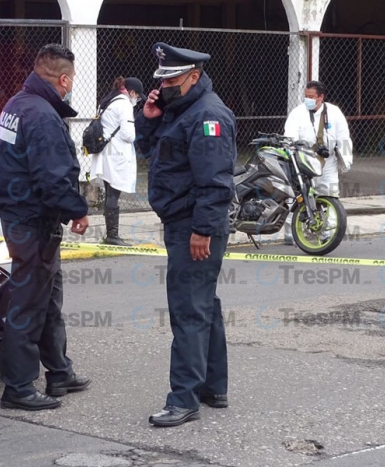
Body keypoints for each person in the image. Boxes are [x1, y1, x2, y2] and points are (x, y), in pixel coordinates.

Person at [135, 43, 236, 427]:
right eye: (162, 79)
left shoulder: (208, 116)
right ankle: (213, 386)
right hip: (182, 222)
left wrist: (201, 230)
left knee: (188, 311)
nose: (166, 85)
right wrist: (148, 116)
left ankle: (184, 399)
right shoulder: (180, 110)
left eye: (173, 79)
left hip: (193, 225)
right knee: (203, 304)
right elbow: (148, 149)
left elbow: (215, 183)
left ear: (194, 76)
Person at [0, 44, 91, 411]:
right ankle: (17, 387)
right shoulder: (43, 116)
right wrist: (77, 210)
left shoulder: (17, 104)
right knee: (30, 302)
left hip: (23, 216)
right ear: (63, 79)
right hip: (33, 219)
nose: (71, 87)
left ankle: (59, 371)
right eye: (72, 81)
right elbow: (53, 176)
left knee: (48, 296)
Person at [283, 80, 353, 244]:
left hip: (328, 162)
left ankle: (327, 233)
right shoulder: (298, 113)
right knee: (299, 197)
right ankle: (291, 233)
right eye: (306, 96)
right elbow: (289, 135)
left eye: (311, 96)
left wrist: (346, 160)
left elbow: (344, 137)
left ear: (321, 97)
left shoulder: (334, 113)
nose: (308, 99)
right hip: (304, 161)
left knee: (329, 196)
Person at [90, 76, 146, 246]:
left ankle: (110, 233)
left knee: (109, 193)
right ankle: (112, 235)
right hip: (116, 156)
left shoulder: (109, 100)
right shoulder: (124, 104)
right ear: (132, 92)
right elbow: (129, 135)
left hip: (106, 153)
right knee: (113, 194)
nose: (137, 100)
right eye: (137, 96)